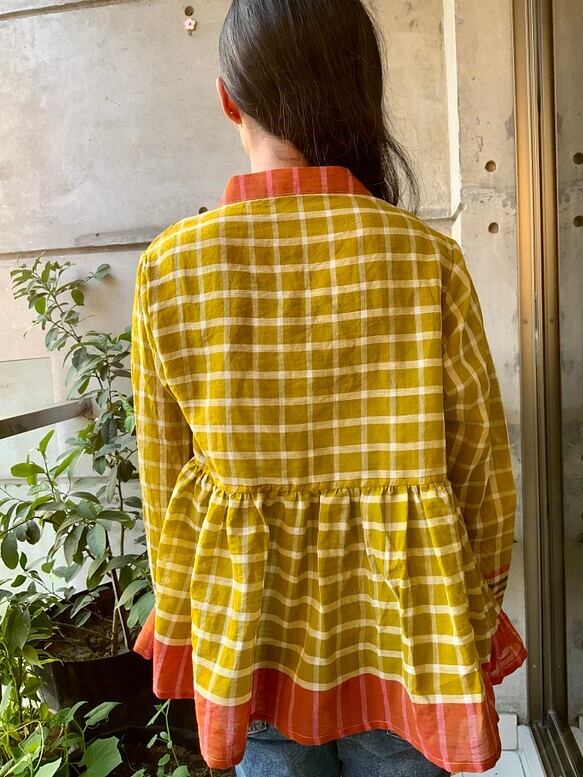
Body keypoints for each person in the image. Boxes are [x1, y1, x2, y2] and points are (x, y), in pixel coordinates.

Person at [130, 1, 527, 775]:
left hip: (250, 628)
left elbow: (162, 478)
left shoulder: (170, 267)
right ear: (361, 94)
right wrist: (473, 610)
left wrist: (186, 612)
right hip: (404, 632)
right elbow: (482, 471)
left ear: (227, 98)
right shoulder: (426, 259)